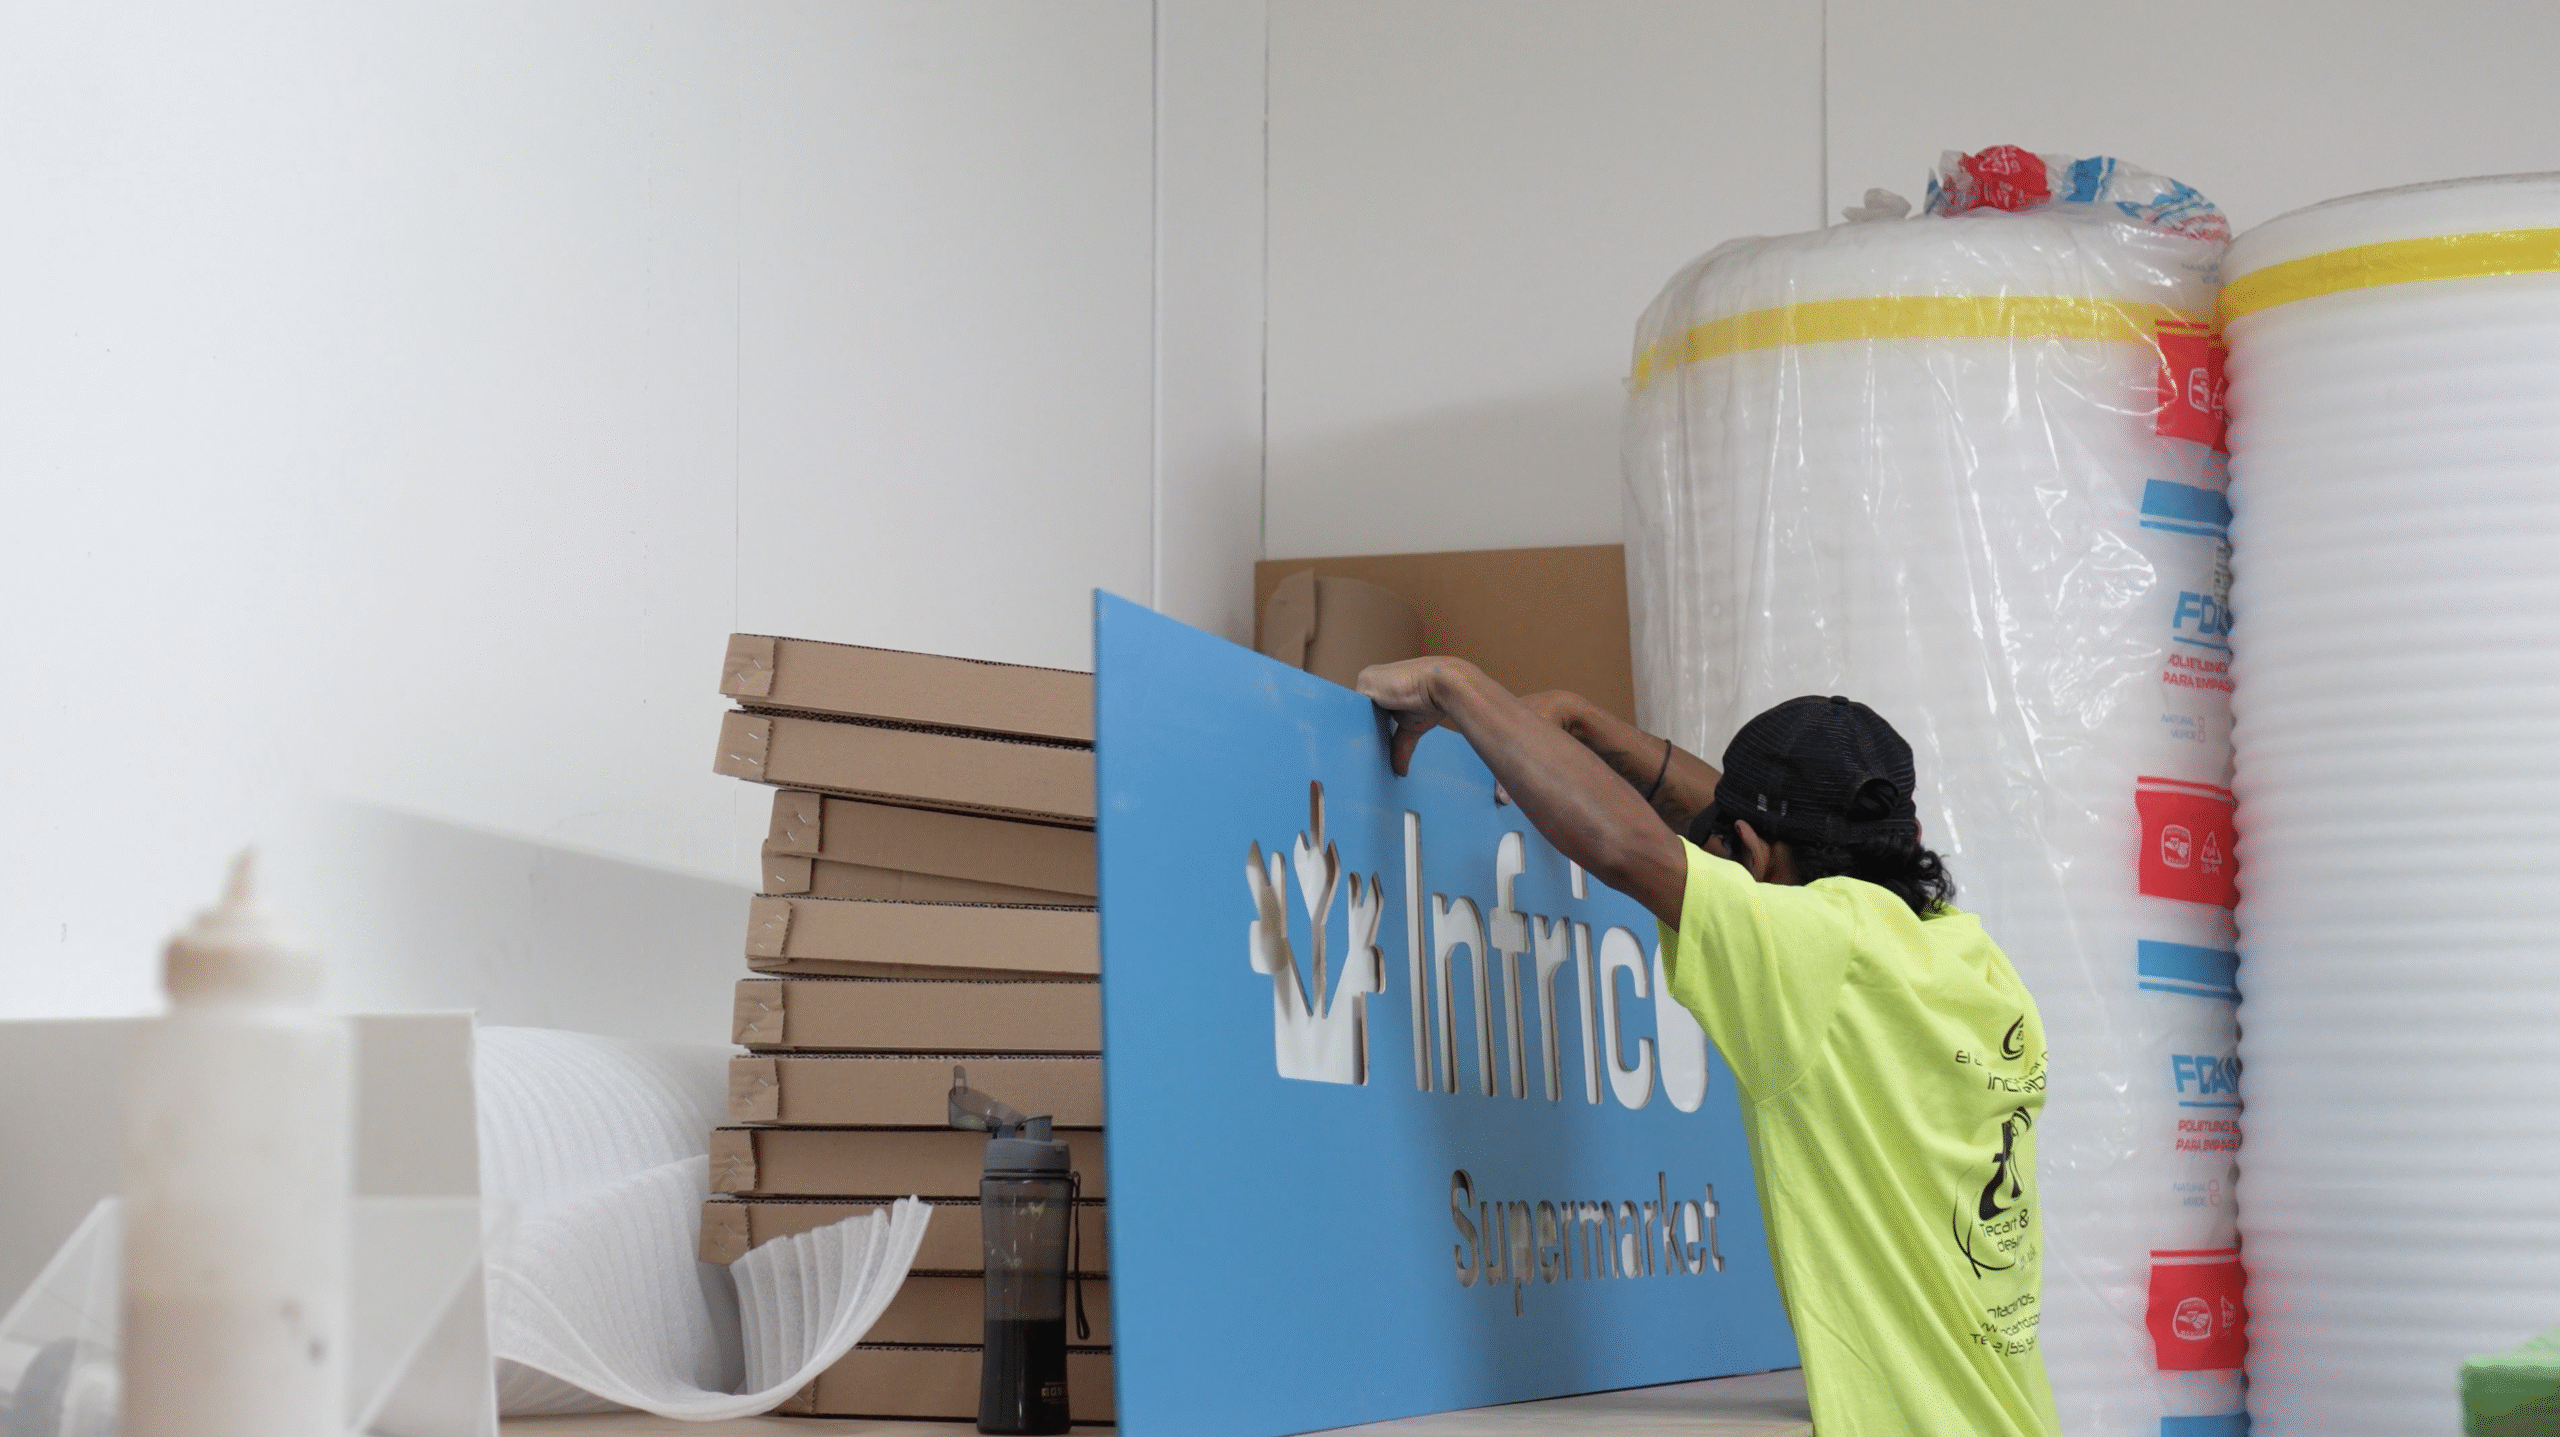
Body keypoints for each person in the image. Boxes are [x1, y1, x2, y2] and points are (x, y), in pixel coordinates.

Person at [1354, 657, 2061, 1437]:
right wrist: (1585, 722)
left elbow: (1628, 848)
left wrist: (1457, 685)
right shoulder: (1969, 956)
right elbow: (1751, 832)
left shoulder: (1815, 955)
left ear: (1751, 853)